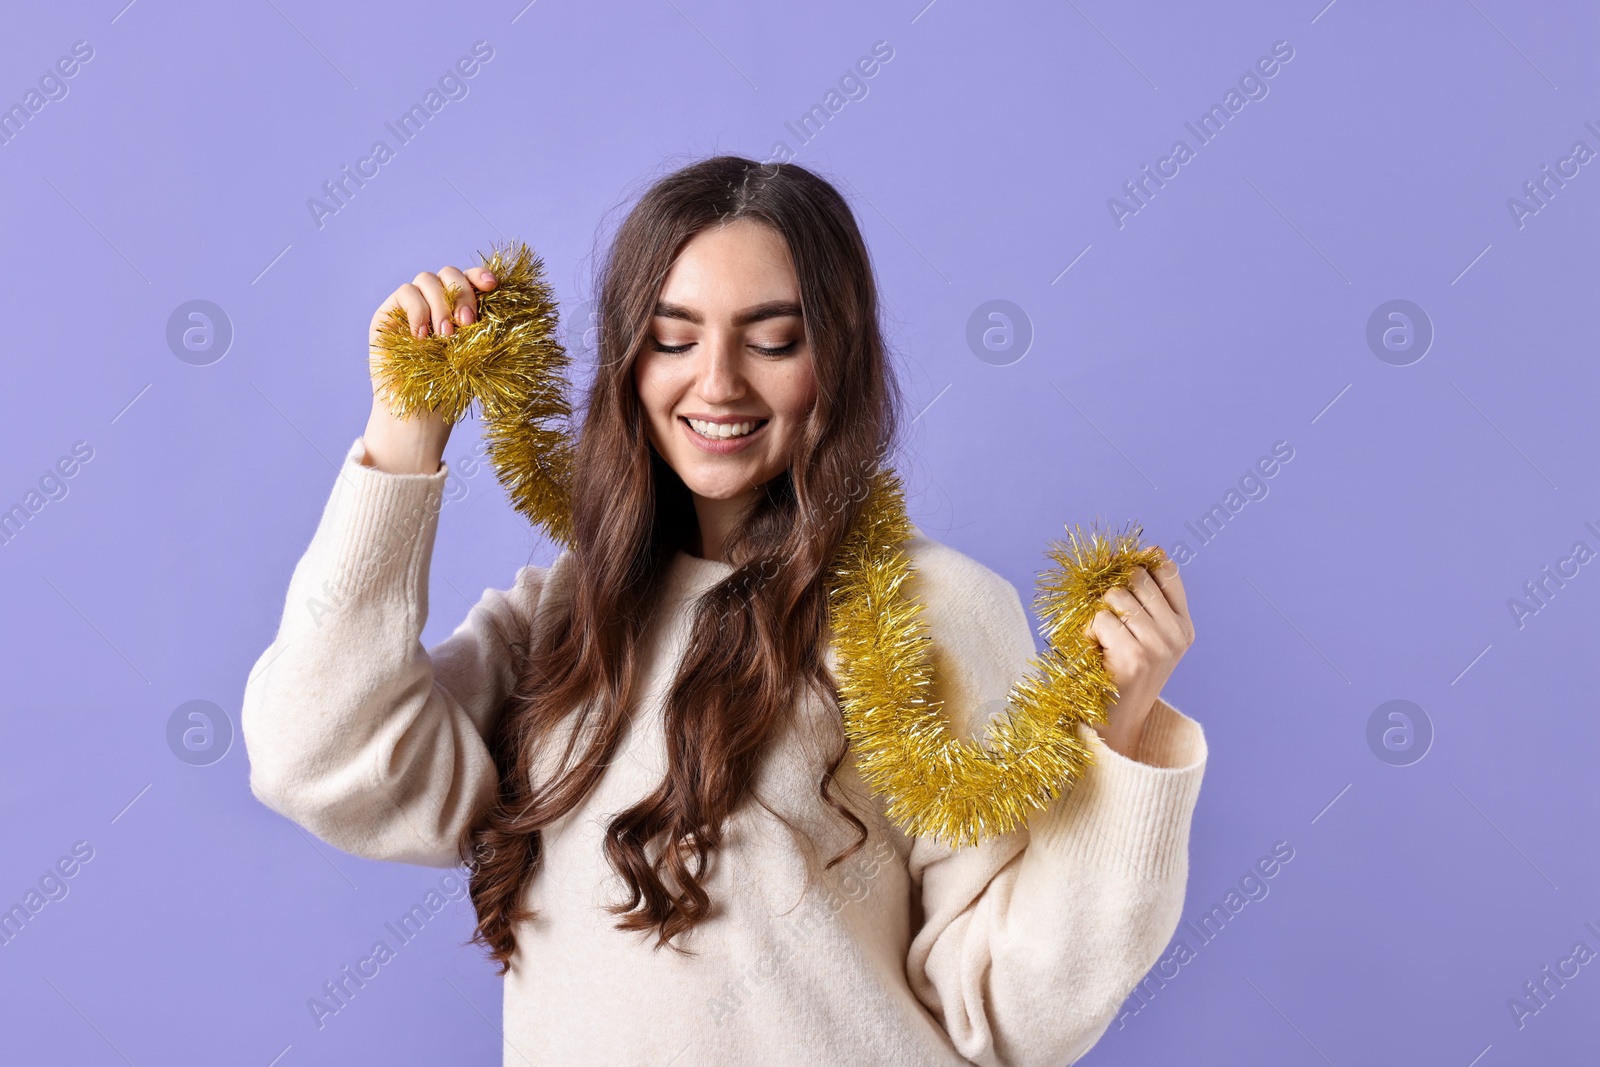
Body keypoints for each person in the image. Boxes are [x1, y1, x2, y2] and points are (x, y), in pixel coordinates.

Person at [241, 155, 1207, 1067]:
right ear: (629, 360)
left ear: (836, 358)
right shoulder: (564, 615)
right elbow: (321, 752)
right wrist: (404, 436)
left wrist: (1120, 739)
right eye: (673, 337)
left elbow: (1006, 1009)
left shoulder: (935, 610)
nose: (717, 382)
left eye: (773, 339)